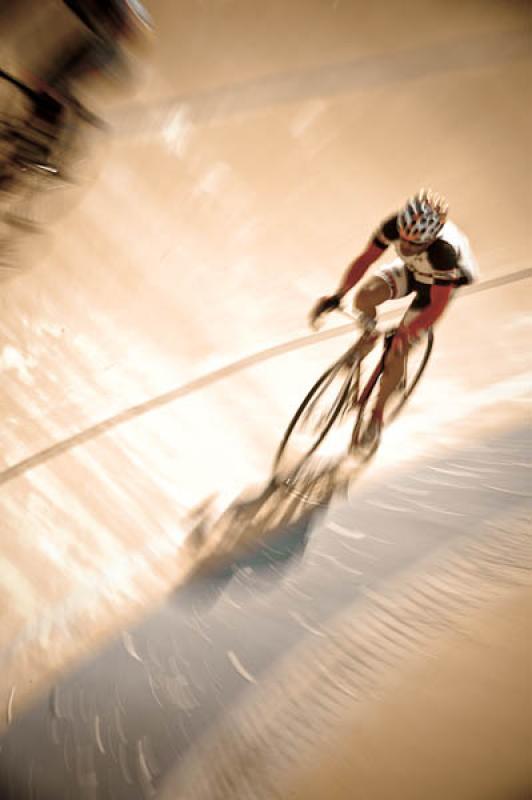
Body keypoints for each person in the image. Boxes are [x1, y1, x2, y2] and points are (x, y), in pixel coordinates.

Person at [310, 189, 479, 450]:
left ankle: (376, 417)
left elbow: (436, 307)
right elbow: (366, 259)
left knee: (397, 351)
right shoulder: (395, 225)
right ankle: (367, 340)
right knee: (364, 298)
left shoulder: (443, 253)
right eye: (404, 240)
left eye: (415, 244)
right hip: (412, 272)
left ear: (431, 237)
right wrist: (338, 294)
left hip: (436, 288)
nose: (406, 247)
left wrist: (407, 333)